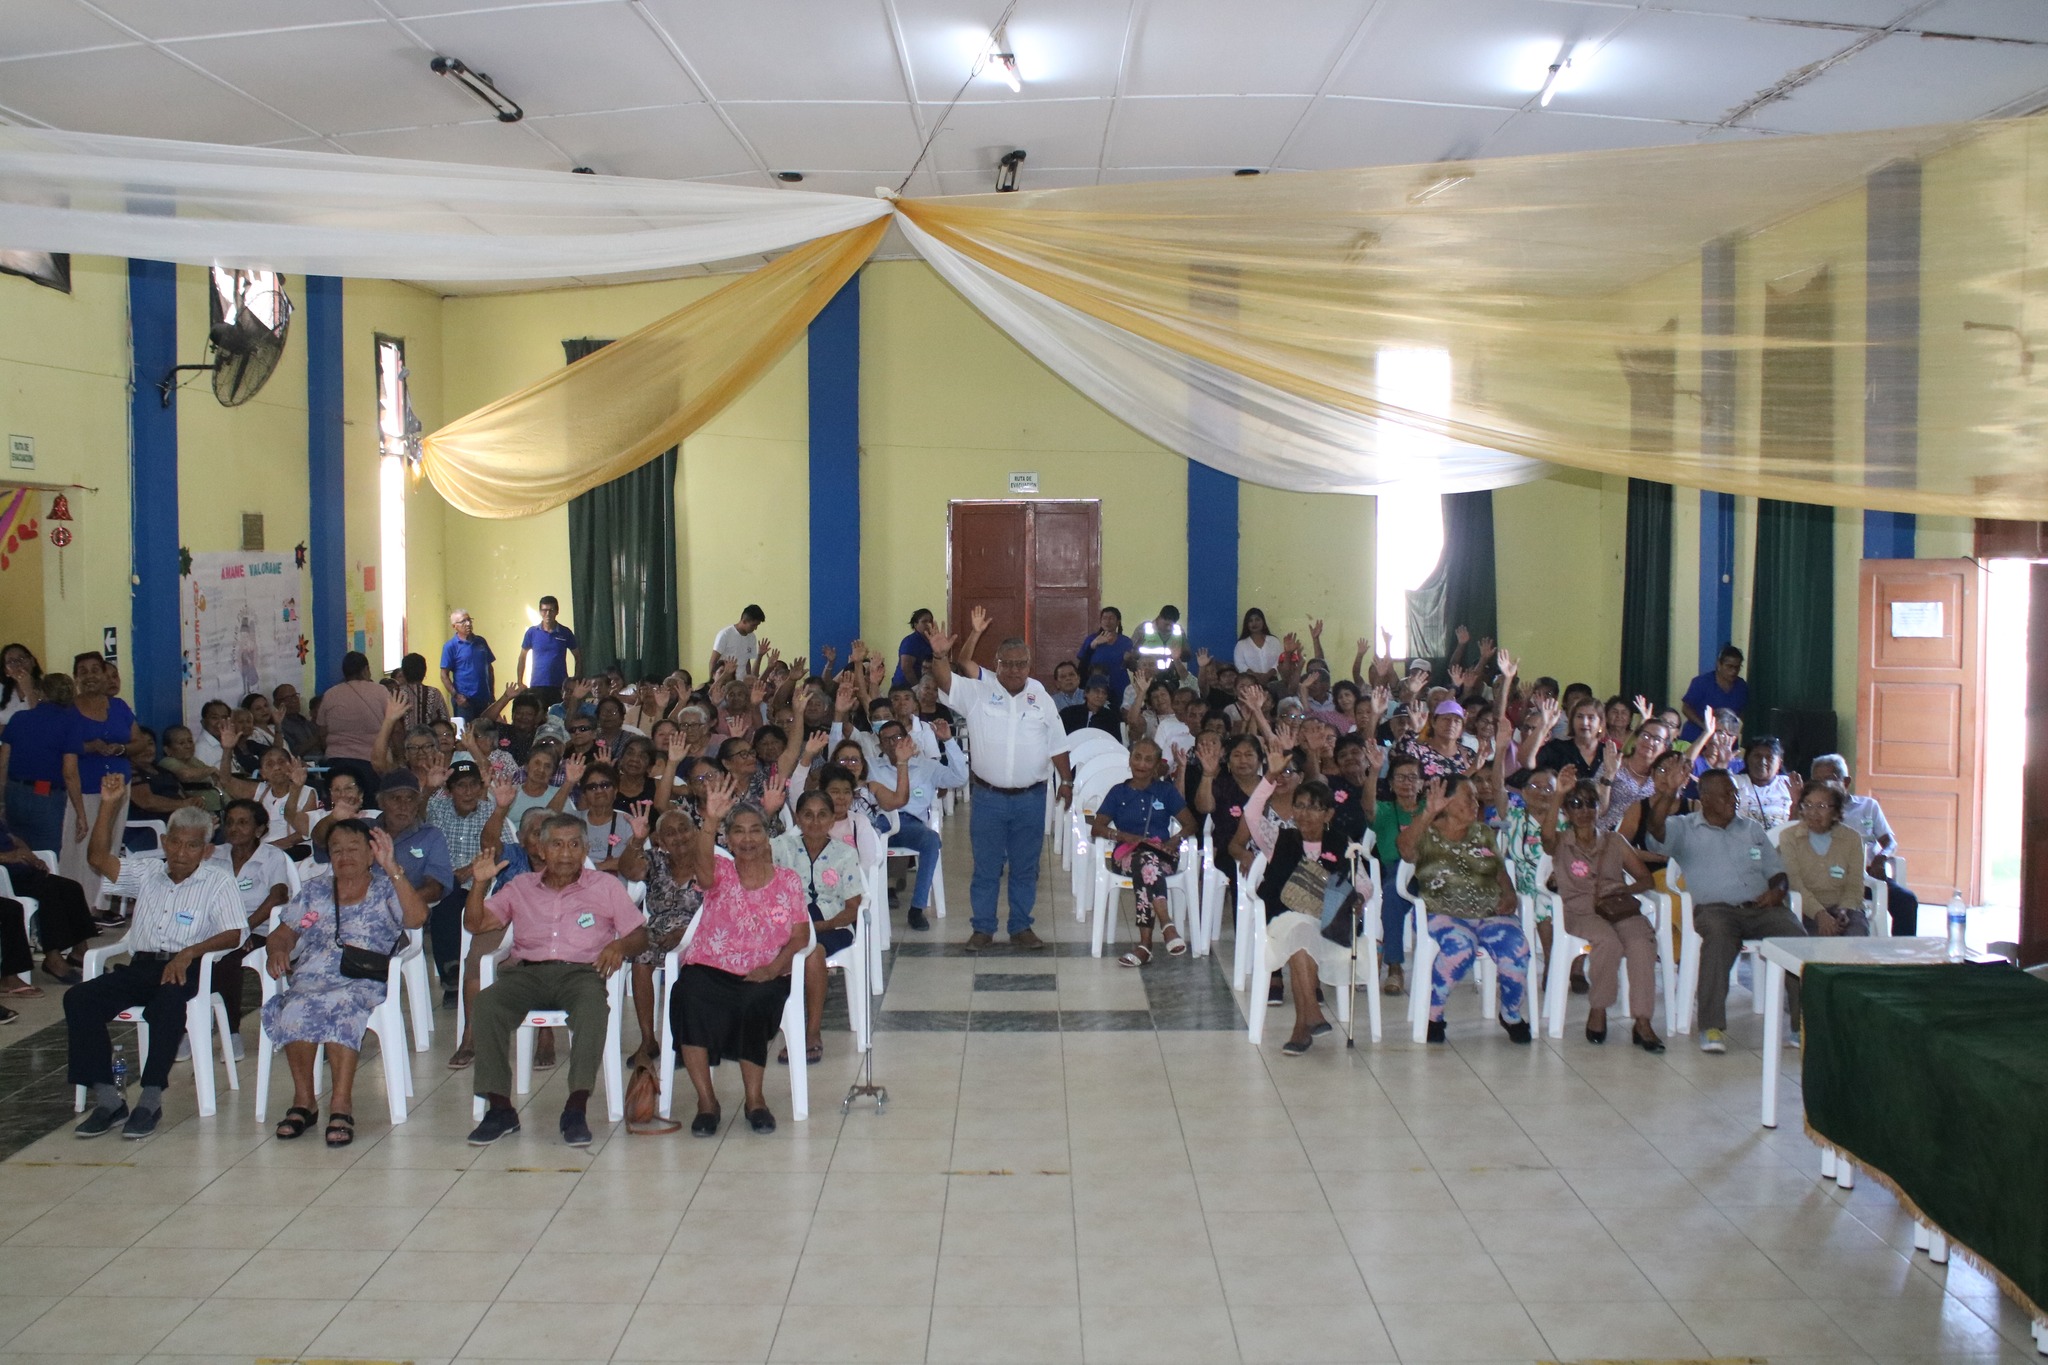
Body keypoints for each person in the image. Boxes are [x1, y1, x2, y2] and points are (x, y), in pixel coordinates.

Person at [67, 783, 245, 1140]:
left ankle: (149, 1100)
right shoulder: (148, 872)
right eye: (176, 842)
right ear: (165, 842)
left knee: (167, 1004)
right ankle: (108, 1099)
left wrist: (188, 953)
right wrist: (108, 805)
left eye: (192, 845)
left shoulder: (218, 881)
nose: (181, 852)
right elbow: (98, 859)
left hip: (187, 966)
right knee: (79, 999)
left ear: (206, 850)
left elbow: (235, 933)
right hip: (142, 965)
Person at [464, 815, 648, 1146]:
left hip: (581, 974)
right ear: (541, 849)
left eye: (574, 844)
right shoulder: (519, 887)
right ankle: (501, 1109)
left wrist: (619, 945)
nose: (565, 853)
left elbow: (640, 935)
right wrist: (478, 884)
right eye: (557, 844)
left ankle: (575, 1108)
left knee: (593, 1009)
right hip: (527, 971)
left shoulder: (604, 887)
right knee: (488, 1003)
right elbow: (476, 925)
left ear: (585, 849)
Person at [259, 819, 427, 1147]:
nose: (344, 856)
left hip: (361, 980)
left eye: (353, 849)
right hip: (312, 977)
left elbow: (417, 918)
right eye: (337, 850)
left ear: (370, 854)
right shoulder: (315, 891)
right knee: (294, 1006)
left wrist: (392, 867)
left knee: (342, 1006)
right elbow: (284, 933)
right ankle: (304, 1102)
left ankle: (341, 1104)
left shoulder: (385, 887)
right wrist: (277, 950)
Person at [672, 775, 811, 1136]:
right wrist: (712, 820)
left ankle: (755, 1100)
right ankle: (706, 1102)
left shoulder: (787, 880)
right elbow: (700, 870)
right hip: (711, 966)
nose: (747, 839)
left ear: (767, 836)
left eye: (755, 831)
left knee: (755, 1003)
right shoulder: (719, 872)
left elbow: (800, 935)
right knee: (688, 994)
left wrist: (773, 968)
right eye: (738, 832)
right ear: (728, 839)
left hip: (765, 971)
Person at [932, 611, 1074, 952]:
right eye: (1007, 663)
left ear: (1029, 664)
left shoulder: (1040, 696)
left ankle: (1021, 926)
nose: (1014, 670)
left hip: (1030, 797)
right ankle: (982, 928)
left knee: (1027, 867)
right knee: (986, 867)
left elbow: (1057, 744)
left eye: (1021, 663)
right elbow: (944, 681)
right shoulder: (978, 692)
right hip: (988, 798)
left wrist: (1067, 781)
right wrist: (939, 656)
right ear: (997, 664)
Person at [1646, 767, 1796, 1053]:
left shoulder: (1751, 829)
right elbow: (1655, 831)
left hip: (1762, 908)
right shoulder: (1685, 827)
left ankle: (1804, 1025)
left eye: (1735, 792)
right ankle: (1711, 1026)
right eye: (1727, 793)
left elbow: (1777, 871)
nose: (1734, 798)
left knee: (1797, 939)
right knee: (1718, 939)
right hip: (1715, 910)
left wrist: (1778, 890)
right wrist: (1668, 794)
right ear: (1705, 797)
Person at [1397, 775, 1532, 1044]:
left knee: (1517, 948)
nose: (1475, 801)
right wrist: (1427, 814)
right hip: (1440, 912)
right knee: (1461, 946)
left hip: (1488, 911)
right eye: (1468, 796)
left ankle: (1510, 1012)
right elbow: (1406, 851)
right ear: (1445, 803)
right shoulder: (1427, 833)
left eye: (1475, 796)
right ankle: (1433, 1015)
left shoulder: (1482, 832)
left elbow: (1499, 870)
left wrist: (1509, 894)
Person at [1543, 779, 1664, 1051]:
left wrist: (1625, 887)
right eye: (1575, 804)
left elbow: (1646, 880)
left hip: (1617, 908)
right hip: (1580, 911)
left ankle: (1642, 1021)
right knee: (1607, 942)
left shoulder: (1615, 841)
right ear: (1566, 811)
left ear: (1600, 808)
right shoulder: (1561, 842)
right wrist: (1559, 794)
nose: (1584, 810)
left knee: (1641, 943)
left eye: (1590, 803)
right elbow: (1546, 836)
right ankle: (1599, 1008)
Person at [1244, 778, 1354, 1055]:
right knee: (1299, 929)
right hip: (1281, 921)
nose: (1304, 813)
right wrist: (1270, 777)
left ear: (1328, 814)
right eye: (1300, 806)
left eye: (1314, 808)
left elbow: (1363, 883)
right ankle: (1311, 1015)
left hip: (1325, 924)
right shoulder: (1279, 839)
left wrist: (1360, 898)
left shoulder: (1342, 844)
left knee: (1303, 935)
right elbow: (1252, 813)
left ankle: (1303, 1026)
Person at [770, 789, 863, 1065]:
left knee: (814, 953)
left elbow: (852, 908)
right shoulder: (781, 847)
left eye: (822, 815)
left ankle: (811, 1032)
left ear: (832, 819)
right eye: (807, 815)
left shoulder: (845, 853)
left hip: (833, 927)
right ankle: (778, 1026)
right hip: (789, 926)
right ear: (797, 818)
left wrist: (820, 927)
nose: (815, 821)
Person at [1089, 737, 1195, 967]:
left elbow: (1190, 824)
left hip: (1163, 854)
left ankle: (1145, 945)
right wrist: (1123, 836)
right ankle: (1166, 925)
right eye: (1137, 757)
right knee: (1146, 864)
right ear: (1129, 760)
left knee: (1148, 865)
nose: (1142, 763)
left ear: (1156, 766)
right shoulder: (1118, 792)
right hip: (1127, 856)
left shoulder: (1165, 791)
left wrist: (1176, 840)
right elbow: (1097, 828)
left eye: (1149, 760)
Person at [206, 798, 292, 1051]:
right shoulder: (214, 856)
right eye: (230, 822)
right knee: (190, 955)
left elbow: (279, 896)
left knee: (228, 959)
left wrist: (243, 930)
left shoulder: (271, 857)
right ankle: (189, 1028)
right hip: (218, 929)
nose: (234, 828)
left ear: (259, 829)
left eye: (243, 823)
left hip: (259, 930)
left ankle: (230, 1033)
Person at [870, 722, 967, 932]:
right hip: (879, 823)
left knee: (931, 840)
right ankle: (869, 903)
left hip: (911, 824)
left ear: (907, 740)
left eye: (896, 738)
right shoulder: (872, 767)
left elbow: (960, 778)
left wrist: (948, 742)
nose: (891, 743)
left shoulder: (926, 767)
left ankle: (916, 908)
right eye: (885, 740)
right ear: (880, 745)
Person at [61, 654, 141, 905]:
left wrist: (120, 749)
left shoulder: (119, 707)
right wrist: (88, 746)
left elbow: (139, 742)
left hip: (118, 787)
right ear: (76, 677)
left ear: (105, 675)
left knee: (109, 844)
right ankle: (77, 907)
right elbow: (58, 747)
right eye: (83, 671)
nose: (90, 676)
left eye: (95, 670)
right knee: (79, 848)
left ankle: (99, 905)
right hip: (84, 790)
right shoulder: (68, 709)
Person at [626, 806, 702, 1069]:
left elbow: (721, 905)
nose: (679, 837)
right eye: (670, 833)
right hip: (657, 929)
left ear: (695, 832)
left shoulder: (709, 862)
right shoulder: (654, 860)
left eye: (684, 829)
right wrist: (637, 840)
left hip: (699, 929)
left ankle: (687, 1040)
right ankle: (648, 1040)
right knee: (640, 956)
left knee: (689, 962)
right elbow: (629, 871)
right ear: (659, 840)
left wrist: (686, 933)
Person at [1809, 753, 1918, 935]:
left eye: (1829, 780)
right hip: (1830, 880)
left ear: (1846, 782)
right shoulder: (1811, 811)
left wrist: (1882, 857)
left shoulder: (1868, 806)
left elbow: (1889, 841)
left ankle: (1901, 955)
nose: (1824, 787)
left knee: (1906, 901)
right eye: (1817, 782)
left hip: (1868, 876)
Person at [0, 814, 95, 994]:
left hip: (22, 870)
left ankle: (79, 951)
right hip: (6, 875)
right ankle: (53, 958)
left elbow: (14, 839)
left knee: (71, 888)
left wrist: (31, 857)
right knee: (47, 891)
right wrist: (8, 856)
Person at [426, 755, 492, 1002]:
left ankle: (455, 974)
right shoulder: (437, 809)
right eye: (461, 785)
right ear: (449, 790)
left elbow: (504, 850)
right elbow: (414, 818)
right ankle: (453, 972)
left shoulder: (491, 811)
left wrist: (471, 870)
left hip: (481, 883)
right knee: (446, 892)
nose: (468, 791)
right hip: (446, 882)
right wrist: (428, 788)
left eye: (473, 784)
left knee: (450, 892)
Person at [1779, 782, 1869, 939]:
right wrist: (1820, 914)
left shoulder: (1852, 839)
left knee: (1857, 937)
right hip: (1804, 909)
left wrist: (1844, 910)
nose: (1813, 812)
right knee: (1817, 943)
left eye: (1821, 806)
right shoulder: (1789, 837)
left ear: (1836, 812)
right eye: (1807, 805)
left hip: (1844, 908)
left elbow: (1855, 884)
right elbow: (1794, 883)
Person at [1, 669, 74, 853]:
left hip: (15, 792)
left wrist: (2, 801)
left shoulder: (19, 718)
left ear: (41, 692)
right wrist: (80, 812)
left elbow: (3, 762)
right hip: (46, 793)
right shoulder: (69, 722)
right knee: (48, 855)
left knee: (19, 850)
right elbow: (70, 772)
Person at [320, 652, 394, 799]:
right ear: (366, 669)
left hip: (336, 762)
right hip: (372, 763)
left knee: (339, 803)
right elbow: (394, 724)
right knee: (371, 804)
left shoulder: (329, 694)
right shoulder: (380, 691)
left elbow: (322, 731)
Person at [518, 596, 580, 709]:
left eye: (551, 610)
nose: (547, 614)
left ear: (557, 611)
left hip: (560, 685)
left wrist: (575, 679)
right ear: (540, 612)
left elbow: (578, 657)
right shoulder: (532, 632)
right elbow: (522, 657)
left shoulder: (565, 632)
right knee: (537, 718)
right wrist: (520, 681)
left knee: (558, 717)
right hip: (537, 684)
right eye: (544, 610)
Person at [1680, 644, 1749, 744]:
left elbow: (1742, 712)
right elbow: (1686, 708)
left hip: (1725, 741)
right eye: (1729, 667)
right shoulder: (1701, 682)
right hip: (1696, 737)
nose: (1733, 671)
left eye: (1737, 667)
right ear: (1719, 665)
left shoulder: (1741, 687)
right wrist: (1705, 726)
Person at [440, 609, 496, 722]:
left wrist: (492, 694)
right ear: (454, 626)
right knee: (465, 734)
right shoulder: (450, 646)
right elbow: (443, 675)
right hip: (465, 701)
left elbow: (489, 669)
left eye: (469, 620)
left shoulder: (481, 641)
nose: (468, 624)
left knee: (485, 733)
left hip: (484, 699)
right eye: (463, 621)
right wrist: (456, 695)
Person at [1732, 735, 1798, 828]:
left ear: (1780, 762)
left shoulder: (1790, 785)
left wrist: (1797, 801)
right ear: (1747, 759)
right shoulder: (1734, 783)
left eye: (1769, 757)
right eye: (1757, 756)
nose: (1762, 762)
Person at [1075, 607, 1135, 707]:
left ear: (1118, 622)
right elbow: (1082, 664)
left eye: (1111, 618)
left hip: (1119, 684)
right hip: (1097, 685)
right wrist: (1094, 645)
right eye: (1104, 618)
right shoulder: (1091, 639)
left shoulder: (1126, 641)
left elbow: (1133, 667)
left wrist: (1129, 660)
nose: (1108, 621)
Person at [709, 604, 767, 680]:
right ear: (744, 621)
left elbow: (747, 663)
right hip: (725, 681)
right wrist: (712, 682)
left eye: (757, 625)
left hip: (741, 682)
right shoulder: (725, 634)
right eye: (753, 625)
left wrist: (749, 681)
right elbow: (713, 661)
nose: (755, 628)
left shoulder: (752, 637)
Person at [1234, 608, 1281, 685]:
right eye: (1250, 621)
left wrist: (1267, 675)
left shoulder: (1274, 641)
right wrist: (1255, 675)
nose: (1254, 623)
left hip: (1273, 682)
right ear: (1247, 624)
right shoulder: (1241, 644)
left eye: (1257, 619)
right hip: (1250, 683)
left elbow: (1279, 661)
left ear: (1263, 622)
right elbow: (1240, 664)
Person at [0, 643, 42, 725]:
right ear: (6, 671)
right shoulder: (1, 690)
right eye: (11, 661)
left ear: (32, 661)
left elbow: (41, 719)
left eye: (22, 658)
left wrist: (29, 690)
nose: (19, 664)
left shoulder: (48, 687)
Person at [895, 608, 937, 688]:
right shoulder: (910, 641)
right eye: (924, 621)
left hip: (924, 686)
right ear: (915, 624)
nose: (928, 624)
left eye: (930, 621)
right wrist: (917, 688)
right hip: (906, 687)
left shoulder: (932, 641)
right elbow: (906, 668)